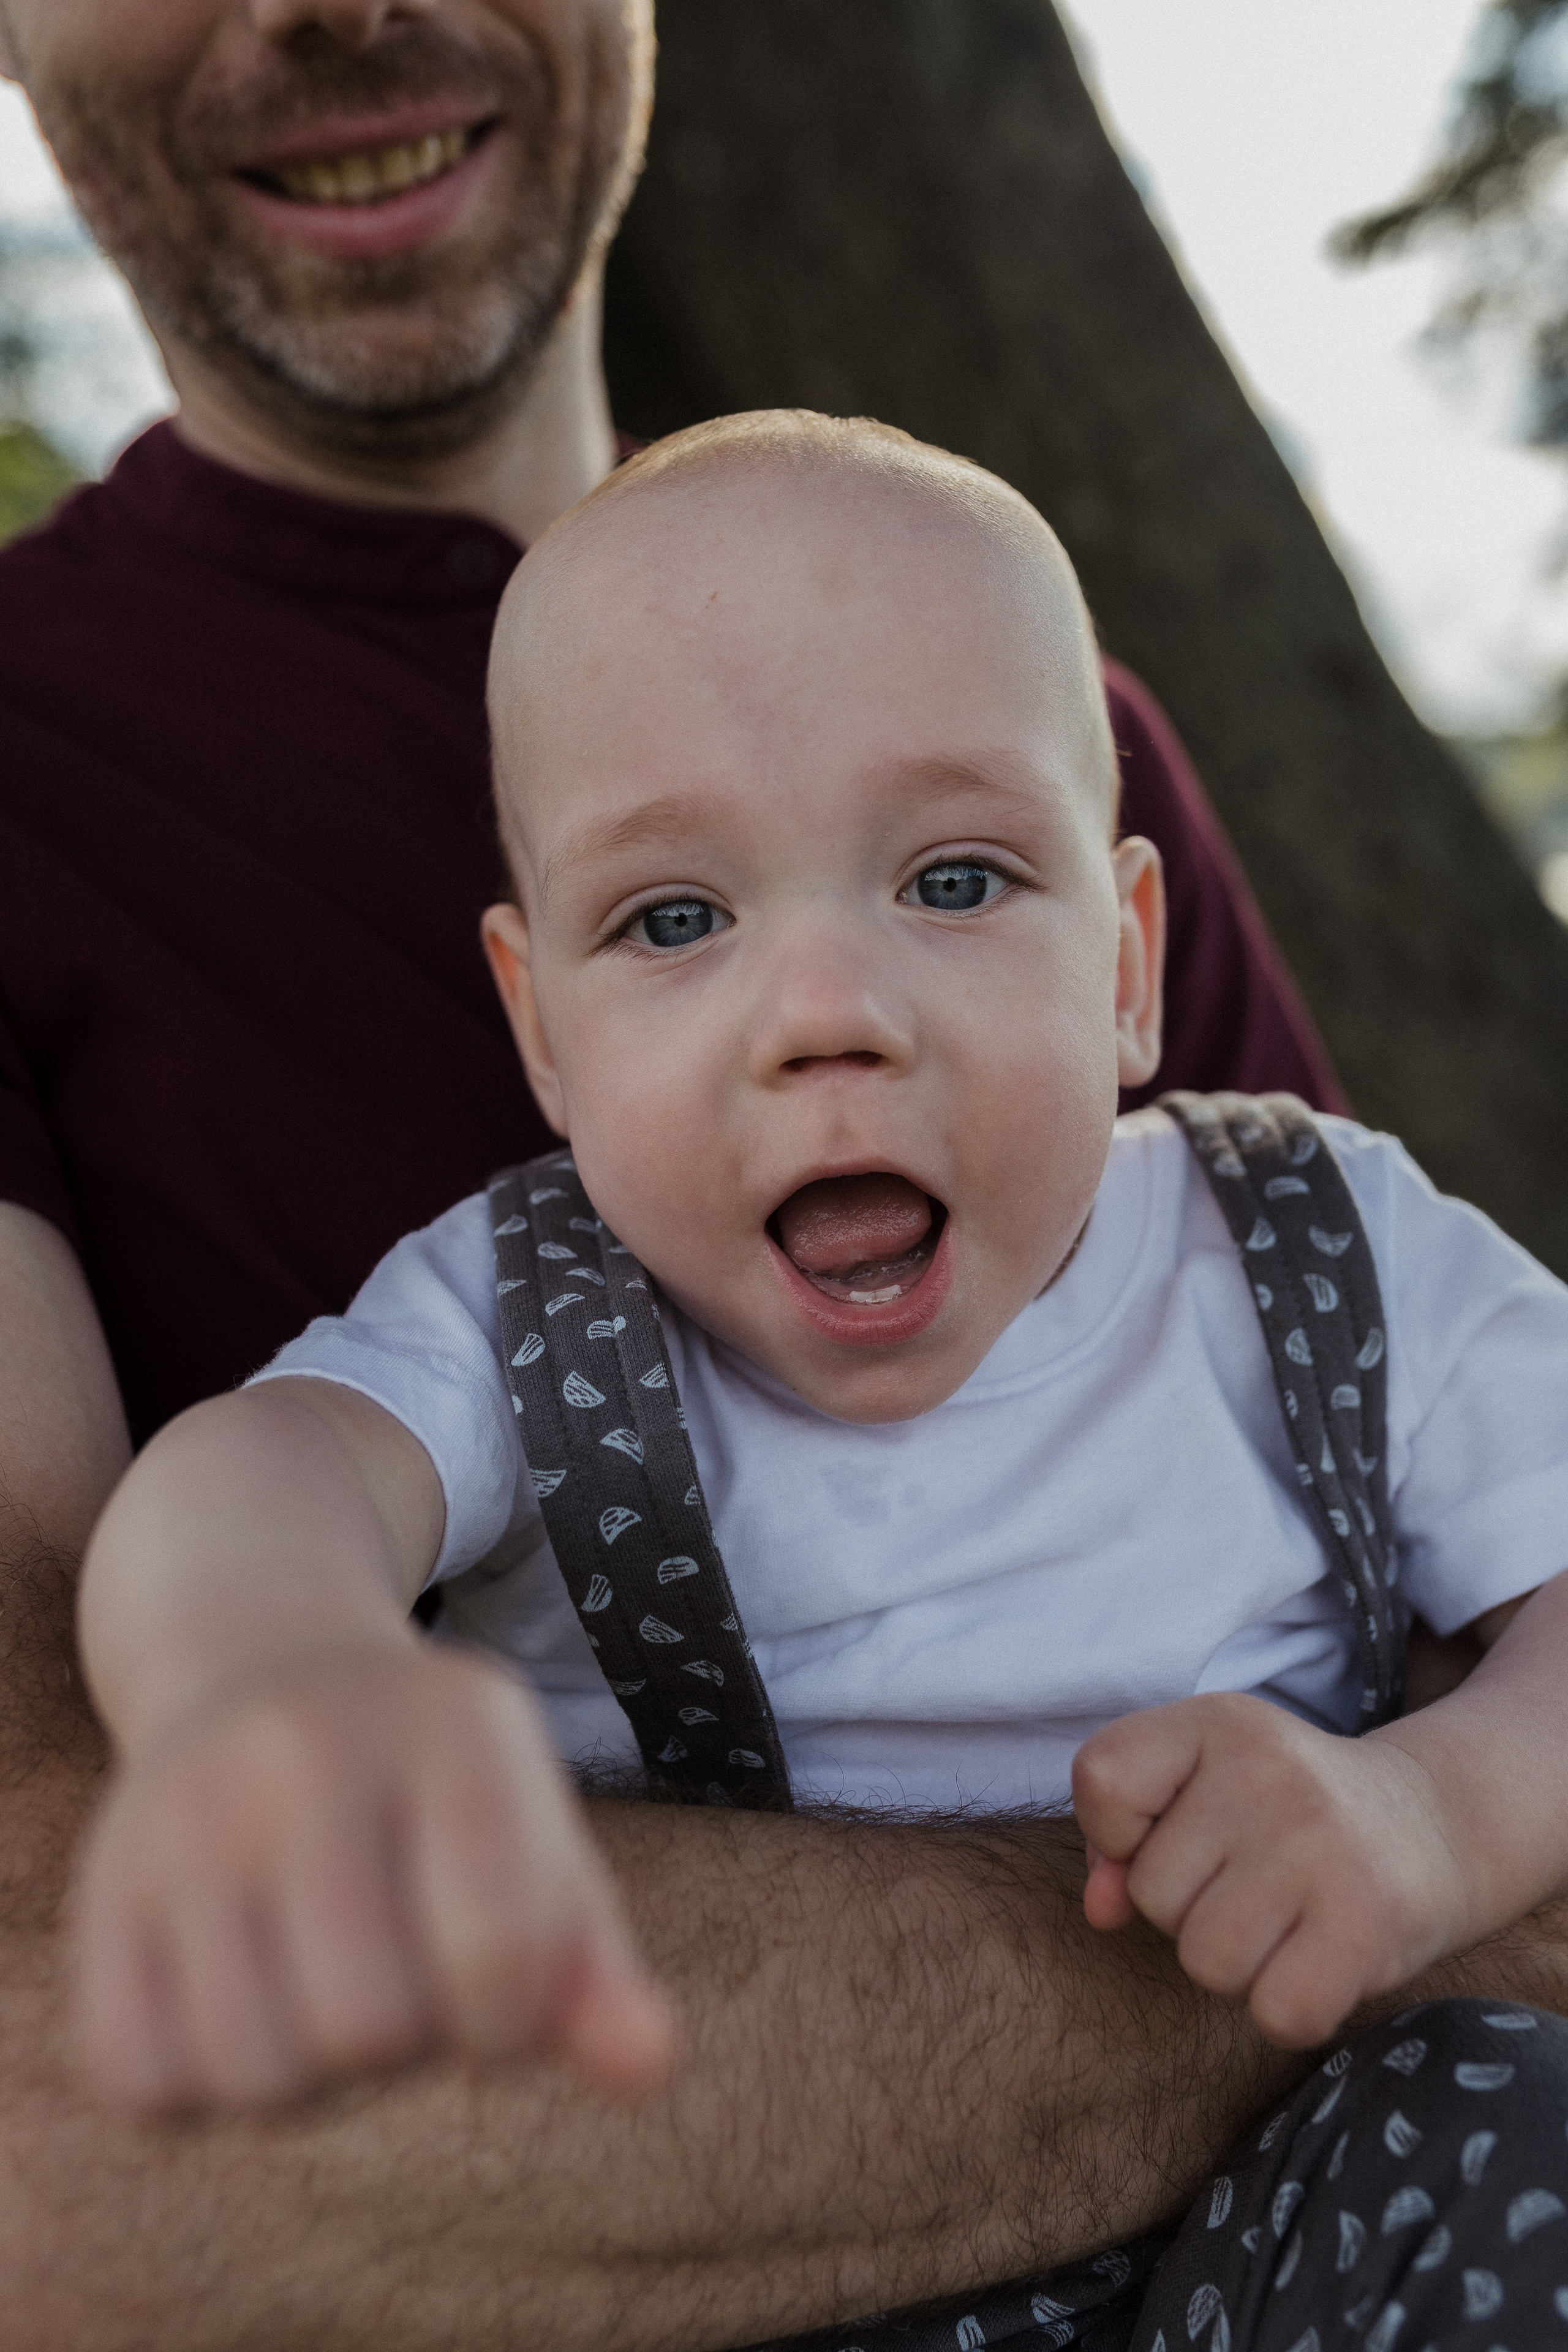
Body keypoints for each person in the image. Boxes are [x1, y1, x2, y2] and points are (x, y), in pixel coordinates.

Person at [0, 0, 1559, 2345]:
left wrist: (1435, 1821)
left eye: (953, 882)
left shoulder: (1296, 1236)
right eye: (676, 922)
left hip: (1340, 2229)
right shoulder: (529, 1317)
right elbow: (268, 1476)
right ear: (535, 1023)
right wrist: (269, 1676)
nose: (830, 1014)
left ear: (1125, 959)